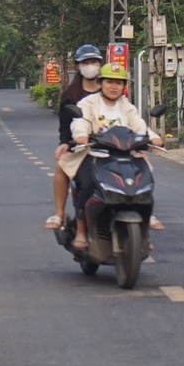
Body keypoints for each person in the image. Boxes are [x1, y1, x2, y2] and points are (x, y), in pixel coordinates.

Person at [63, 63, 164, 251]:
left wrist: (153, 138)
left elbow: (139, 126)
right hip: (96, 154)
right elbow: (81, 121)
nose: (113, 86)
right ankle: (82, 231)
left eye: (118, 83)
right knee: (87, 183)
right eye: (109, 81)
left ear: (124, 86)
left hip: (126, 153)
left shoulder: (126, 106)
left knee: (145, 179)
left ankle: (144, 225)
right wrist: (81, 136)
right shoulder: (88, 103)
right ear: (101, 83)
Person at [48, 45, 106, 232]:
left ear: (100, 64)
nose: (90, 66)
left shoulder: (110, 91)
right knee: (62, 165)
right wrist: (65, 144)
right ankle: (59, 213)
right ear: (78, 66)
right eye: (85, 62)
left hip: (112, 146)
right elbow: (65, 128)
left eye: (94, 62)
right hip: (82, 147)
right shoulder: (70, 96)